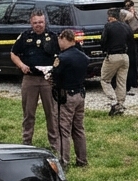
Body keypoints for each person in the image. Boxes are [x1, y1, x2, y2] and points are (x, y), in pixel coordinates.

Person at [10, 9, 59, 149]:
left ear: (45, 22)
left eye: (41, 22)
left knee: (52, 113)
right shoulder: (25, 36)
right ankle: (26, 142)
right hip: (30, 79)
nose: (38, 25)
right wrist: (21, 65)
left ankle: (55, 143)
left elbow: (61, 55)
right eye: (36, 22)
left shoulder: (53, 36)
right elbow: (13, 54)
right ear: (31, 23)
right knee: (28, 112)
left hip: (48, 80)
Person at [51, 29, 90, 167]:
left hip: (66, 96)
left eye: (59, 40)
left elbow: (55, 75)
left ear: (63, 38)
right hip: (80, 94)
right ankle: (82, 160)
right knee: (78, 129)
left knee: (63, 130)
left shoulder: (62, 58)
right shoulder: (83, 56)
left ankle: (63, 161)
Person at [100, 7, 133, 115]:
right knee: (121, 82)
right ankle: (121, 104)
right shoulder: (126, 26)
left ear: (110, 17)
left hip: (113, 56)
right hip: (125, 56)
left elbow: (103, 41)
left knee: (105, 80)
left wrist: (104, 50)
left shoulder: (108, 26)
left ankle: (114, 100)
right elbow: (131, 40)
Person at [121, 0, 138, 91]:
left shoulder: (135, 14)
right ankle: (131, 81)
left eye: (130, 6)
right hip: (129, 39)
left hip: (134, 39)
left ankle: (134, 80)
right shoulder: (126, 15)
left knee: (133, 61)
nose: (128, 7)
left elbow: (137, 24)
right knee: (130, 62)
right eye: (127, 6)